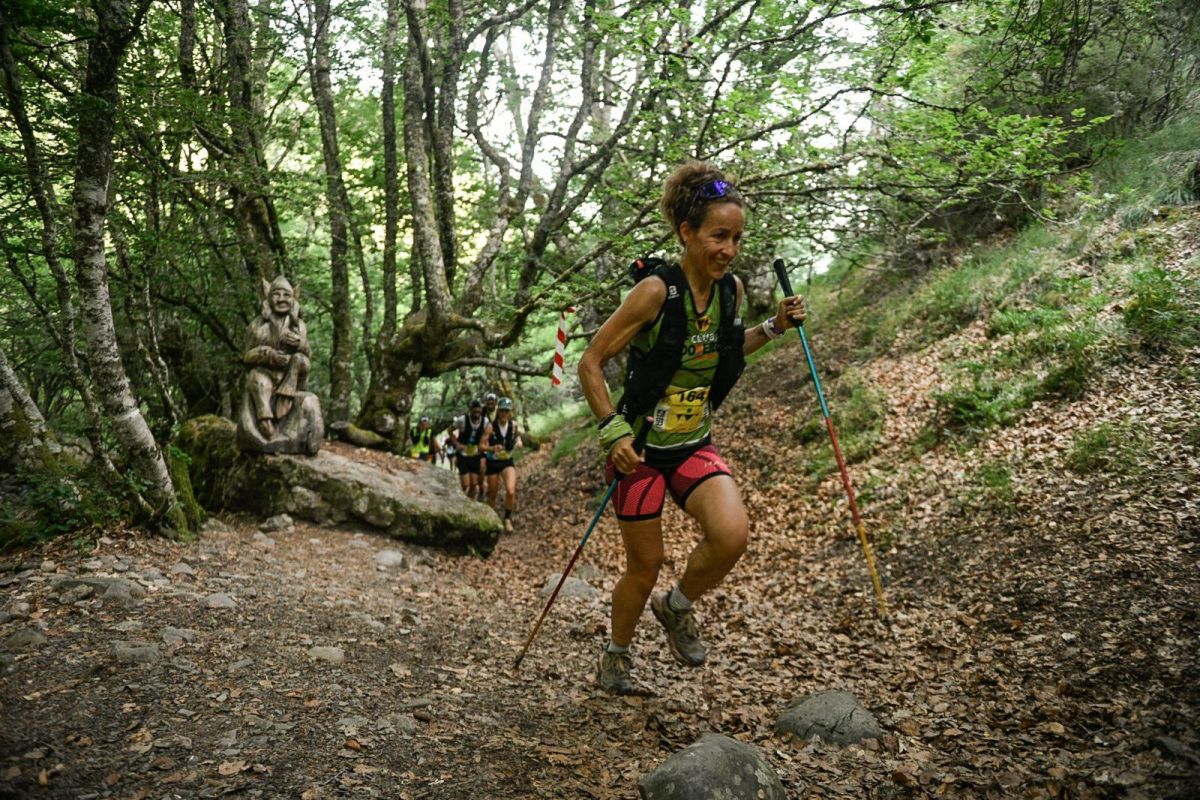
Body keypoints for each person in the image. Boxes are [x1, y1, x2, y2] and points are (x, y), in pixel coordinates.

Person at [577, 161, 807, 695]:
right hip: (640, 451)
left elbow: (727, 351)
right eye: (719, 236)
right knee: (645, 565)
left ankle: (676, 606)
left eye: (736, 238)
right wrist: (613, 431)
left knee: (731, 535)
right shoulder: (655, 293)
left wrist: (774, 326)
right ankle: (617, 657)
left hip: (691, 444)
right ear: (687, 233)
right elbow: (591, 362)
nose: (729, 249)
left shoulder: (732, 291)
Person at [483, 397, 522, 533]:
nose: (504, 413)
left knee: (511, 490)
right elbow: (481, 446)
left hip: (507, 461)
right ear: (498, 411)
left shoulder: (514, 425)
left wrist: (518, 441)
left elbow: (517, 435)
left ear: (510, 412)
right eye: (502, 411)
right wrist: (492, 448)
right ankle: (491, 520)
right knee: (492, 493)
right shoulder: (490, 427)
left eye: (507, 411)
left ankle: (507, 519)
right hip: (493, 462)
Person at [447, 399, 488, 500]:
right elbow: (450, 430)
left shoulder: (485, 421)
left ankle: (468, 503)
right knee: (466, 484)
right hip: (463, 456)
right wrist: (456, 443)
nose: (477, 414)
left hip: (475, 456)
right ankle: (462, 499)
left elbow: (487, 434)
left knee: (474, 484)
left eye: (479, 412)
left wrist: (484, 444)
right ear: (470, 410)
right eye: (474, 412)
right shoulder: (462, 420)